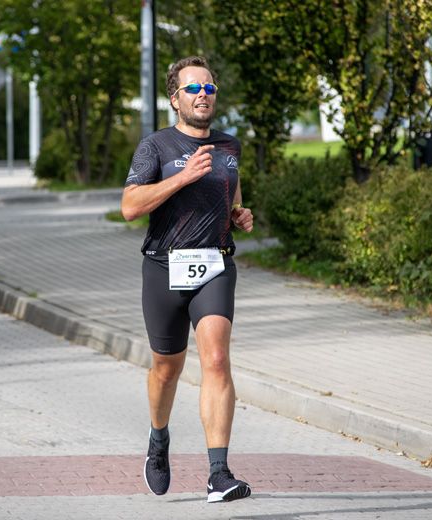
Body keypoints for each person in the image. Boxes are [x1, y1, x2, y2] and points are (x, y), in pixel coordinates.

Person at [121, 56, 254, 503]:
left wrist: (239, 214)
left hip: (214, 265)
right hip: (163, 267)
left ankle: (219, 473)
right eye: (193, 89)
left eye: (209, 88)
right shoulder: (155, 147)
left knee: (216, 360)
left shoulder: (230, 146)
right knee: (166, 368)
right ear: (174, 98)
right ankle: (159, 439)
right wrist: (180, 178)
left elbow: (230, 195)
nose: (203, 95)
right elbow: (130, 206)